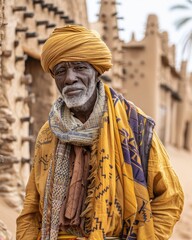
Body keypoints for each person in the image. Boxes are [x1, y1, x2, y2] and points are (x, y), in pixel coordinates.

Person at [16, 25, 184, 240]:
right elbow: (31, 205)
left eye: (80, 67)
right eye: (60, 71)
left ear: (96, 71)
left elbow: (170, 198)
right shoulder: (49, 133)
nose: (69, 78)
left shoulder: (136, 127)